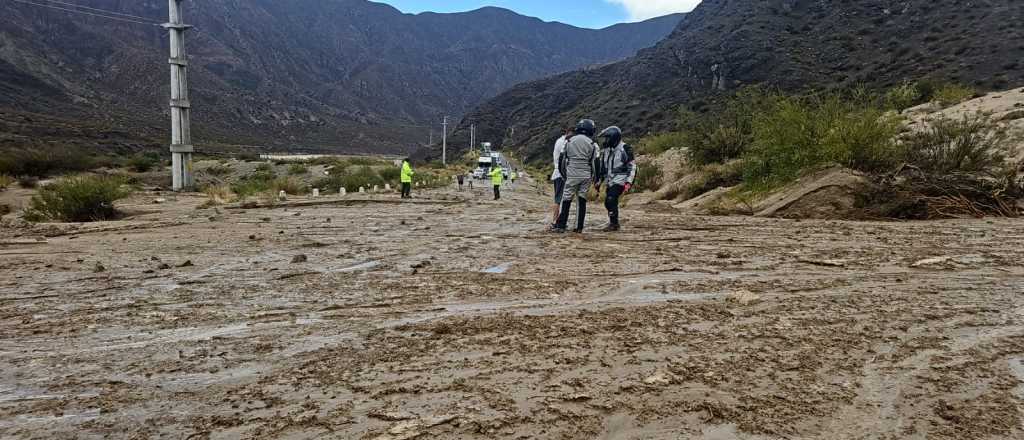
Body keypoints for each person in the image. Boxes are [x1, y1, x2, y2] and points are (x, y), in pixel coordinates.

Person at [553, 119, 599, 233]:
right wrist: (595, 177)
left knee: (566, 199)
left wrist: (564, 174)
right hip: (586, 175)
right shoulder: (593, 144)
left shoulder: (568, 141)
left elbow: (562, 160)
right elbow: (595, 162)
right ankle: (578, 227)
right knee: (581, 200)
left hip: (572, 174)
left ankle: (561, 225)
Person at [596, 126, 637, 232]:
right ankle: (613, 221)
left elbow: (632, 166)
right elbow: (604, 167)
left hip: (621, 179)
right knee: (607, 202)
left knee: (611, 199)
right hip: (610, 180)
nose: (606, 141)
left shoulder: (625, 148)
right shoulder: (607, 150)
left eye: (607, 138)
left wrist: (628, 182)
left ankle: (614, 224)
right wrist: (600, 180)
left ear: (613, 137)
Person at [550, 128, 571, 229]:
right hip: (560, 174)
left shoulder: (559, 141)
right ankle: (555, 220)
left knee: (559, 198)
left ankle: (556, 220)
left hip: (558, 173)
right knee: (559, 199)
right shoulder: (563, 142)